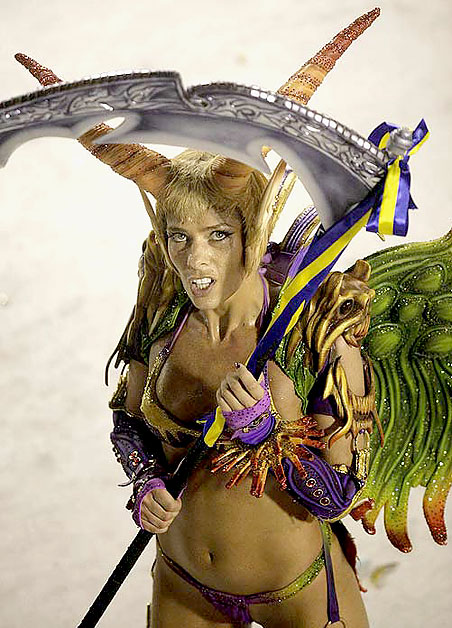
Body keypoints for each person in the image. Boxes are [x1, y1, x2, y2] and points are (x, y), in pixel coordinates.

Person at [15, 9, 382, 627]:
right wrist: (146, 482)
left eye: (217, 235)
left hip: (297, 588)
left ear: (250, 234)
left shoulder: (313, 327)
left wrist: (267, 437)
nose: (196, 260)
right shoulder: (161, 319)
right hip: (183, 584)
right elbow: (129, 422)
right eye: (179, 237)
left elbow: (340, 493)